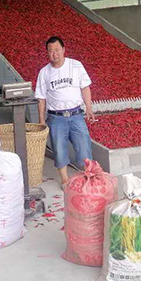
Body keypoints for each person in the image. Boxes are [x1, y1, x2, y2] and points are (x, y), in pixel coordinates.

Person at [35, 36, 95, 185]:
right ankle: (65, 180)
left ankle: (88, 176)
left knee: (84, 146)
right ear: (47, 53)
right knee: (59, 149)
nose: (54, 53)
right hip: (56, 118)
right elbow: (41, 98)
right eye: (50, 51)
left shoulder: (76, 65)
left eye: (57, 49)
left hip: (76, 115)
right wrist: (41, 119)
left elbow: (85, 87)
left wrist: (88, 107)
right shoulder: (44, 72)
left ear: (63, 50)